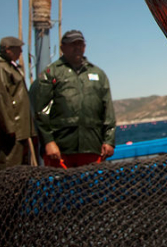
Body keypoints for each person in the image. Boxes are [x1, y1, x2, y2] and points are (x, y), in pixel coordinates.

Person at [31, 30, 116, 168]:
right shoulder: (51, 73)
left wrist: (109, 141)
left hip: (92, 147)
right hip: (60, 150)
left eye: (80, 44)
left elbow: (108, 111)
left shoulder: (98, 75)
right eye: (72, 44)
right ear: (62, 48)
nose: (77, 48)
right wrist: (48, 142)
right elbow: (41, 111)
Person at [0, 36, 38, 169]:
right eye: (18, 48)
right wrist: (9, 128)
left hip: (20, 130)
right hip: (13, 132)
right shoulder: (0, 69)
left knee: (22, 167)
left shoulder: (9, 68)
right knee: (11, 165)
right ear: (8, 50)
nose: (21, 52)